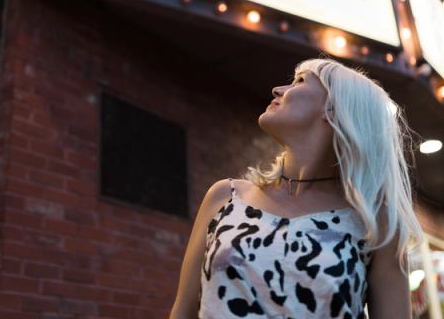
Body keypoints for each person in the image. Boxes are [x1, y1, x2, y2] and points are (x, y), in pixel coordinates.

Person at [169, 56, 424, 318]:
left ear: (334, 109)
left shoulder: (375, 223)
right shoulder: (226, 196)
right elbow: (183, 310)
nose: (278, 90)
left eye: (299, 81)